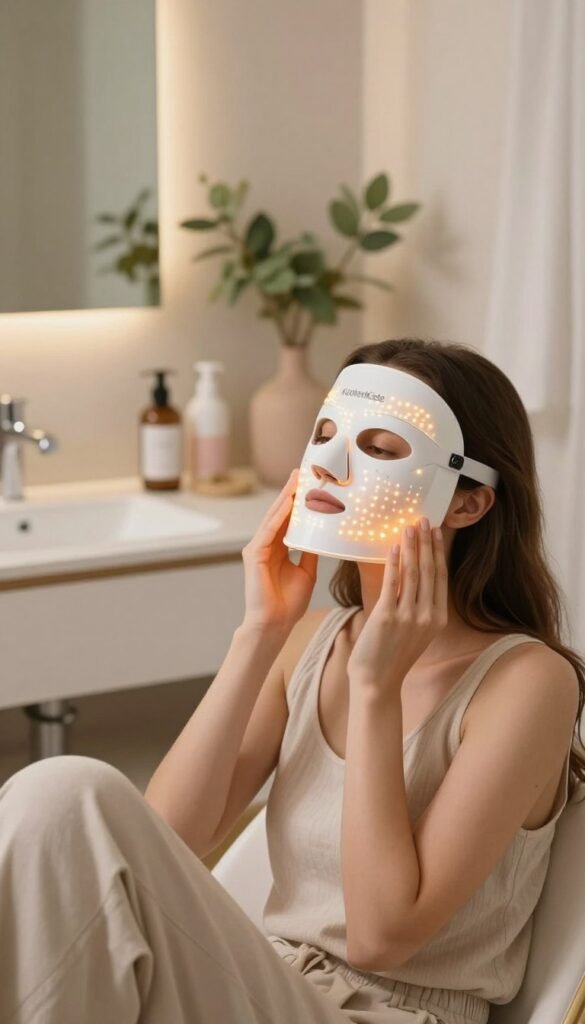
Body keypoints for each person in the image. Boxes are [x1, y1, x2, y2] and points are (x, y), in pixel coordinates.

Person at [1, 338, 583, 1024]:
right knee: (59, 792)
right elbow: (159, 844)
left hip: (387, 1014)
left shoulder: (526, 684)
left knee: (69, 788)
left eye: (380, 447)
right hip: (266, 984)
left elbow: (380, 935)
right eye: (325, 435)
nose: (329, 466)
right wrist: (260, 634)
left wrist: (374, 690)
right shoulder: (310, 641)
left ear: (467, 504)